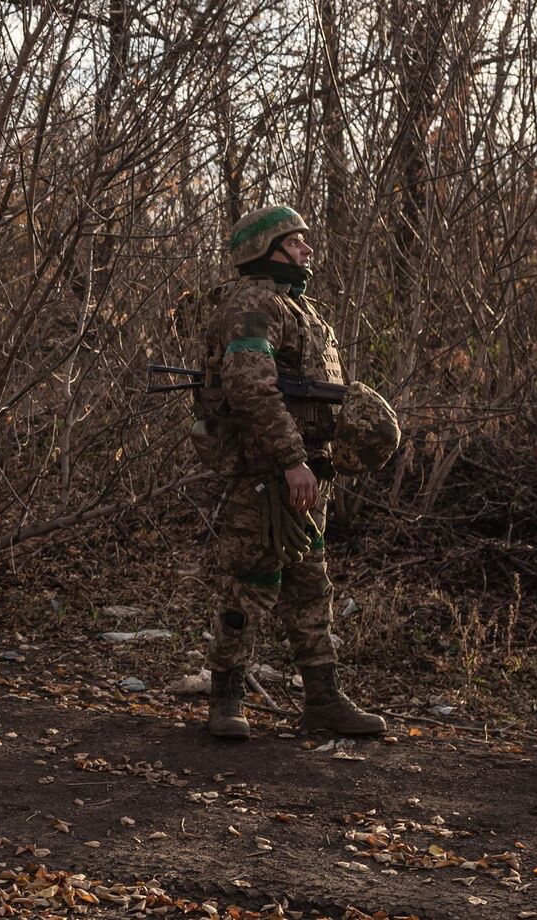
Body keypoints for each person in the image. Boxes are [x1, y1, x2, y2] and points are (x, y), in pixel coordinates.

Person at [195, 204, 386, 741]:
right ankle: (224, 699)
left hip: (304, 471)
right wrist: (290, 461)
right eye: (297, 241)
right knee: (252, 583)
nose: (307, 250)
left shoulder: (299, 308)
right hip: (266, 472)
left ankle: (323, 699)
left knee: (309, 584)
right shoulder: (254, 303)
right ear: (268, 249)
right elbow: (250, 386)